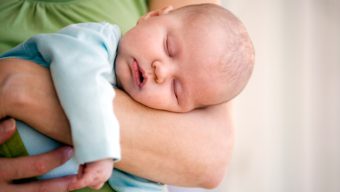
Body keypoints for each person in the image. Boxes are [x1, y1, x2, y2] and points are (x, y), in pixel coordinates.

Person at [0, 3, 254, 191]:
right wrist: (101, 150)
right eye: (168, 47)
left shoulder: (143, 114)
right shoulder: (98, 41)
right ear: (151, 17)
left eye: (176, 90)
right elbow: (80, 77)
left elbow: (140, 184)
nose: (161, 71)